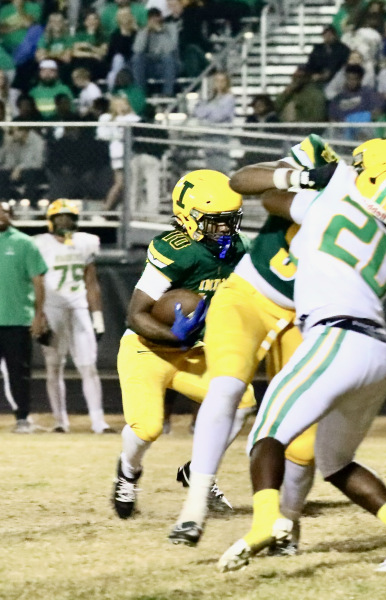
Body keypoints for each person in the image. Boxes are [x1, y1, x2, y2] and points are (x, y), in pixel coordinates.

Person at [212, 138, 386, 574]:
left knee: (267, 433)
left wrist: (304, 177)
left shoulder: (332, 203)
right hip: (380, 354)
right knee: (335, 462)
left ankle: (265, 521)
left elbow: (250, 188)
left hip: (335, 337)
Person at [169, 135, 339, 551]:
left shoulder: (367, 217)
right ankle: (193, 507)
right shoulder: (322, 178)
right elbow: (244, 181)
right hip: (248, 295)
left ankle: (288, 525)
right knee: (227, 386)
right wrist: (304, 177)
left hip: (302, 316)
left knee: (302, 440)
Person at [112, 169, 253, 520]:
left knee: (242, 400)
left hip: (191, 349)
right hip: (148, 348)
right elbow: (136, 315)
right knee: (148, 429)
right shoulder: (176, 249)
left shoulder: (236, 248)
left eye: (230, 220)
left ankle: (198, 471)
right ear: (188, 217)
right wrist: (174, 335)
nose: (225, 229)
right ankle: (128, 471)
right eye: (215, 221)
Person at [33, 200, 112, 434]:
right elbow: (35, 283)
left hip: (78, 308)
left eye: (68, 218)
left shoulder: (85, 242)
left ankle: (98, 421)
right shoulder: (39, 244)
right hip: (52, 309)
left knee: (88, 366)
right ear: (51, 221)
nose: (64, 222)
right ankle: (60, 421)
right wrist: (38, 315)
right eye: (60, 218)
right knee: (53, 367)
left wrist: (97, 316)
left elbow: (91, 282)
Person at [0, 200, 47, 433]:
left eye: (4, 211)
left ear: (11, 215)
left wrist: (38, 315)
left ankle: (22, 419)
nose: (0, 215)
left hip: (17, 320)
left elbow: (38, 281)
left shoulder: (25, 243)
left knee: (19, 373)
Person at [98, 95, 140, 210]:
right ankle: (106, 208)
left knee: (129, 184)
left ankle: (119, 208)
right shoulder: (108, 119)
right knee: (120, 183)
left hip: (131, 154)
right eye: (118, 105)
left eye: (123, 104)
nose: (122, 107)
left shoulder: (133, 118)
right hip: (118, 154)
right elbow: (102, 135)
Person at [192, 70, 235, 173]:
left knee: (221, 166)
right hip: (208, 136)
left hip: (221, 137)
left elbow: (219, 116)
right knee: (210, 166)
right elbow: (198, 113)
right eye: (217, 81)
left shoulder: (229, 98)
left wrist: (208, 110)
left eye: (222, 81)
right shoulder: (208, 97)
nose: (219, 84)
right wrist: (212, 108)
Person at [131, 8, 179, 97]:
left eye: (157, 17)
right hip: (150, 66)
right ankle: (140, 93)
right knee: (137, 58)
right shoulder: (144, 30)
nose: (155, 20)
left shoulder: (171, 28)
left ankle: (167, 93)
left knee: (167, 57)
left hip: (169, 65)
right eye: (152, 18)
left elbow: (170, 49)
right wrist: (146, 32)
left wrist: (160, 31)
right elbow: (137, 49)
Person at [130, 104, 166, 216]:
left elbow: (131, 142)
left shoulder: (136, 126)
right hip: (152, 157)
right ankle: (152, 211)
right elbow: (165, 145)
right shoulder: (158, 128)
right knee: (152, 185)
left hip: (137, 156)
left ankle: (133, 210)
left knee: (135, 185)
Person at [328, 63, 382, 138]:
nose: (351, 82)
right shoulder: (338, 97)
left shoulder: (368, 93)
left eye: (354, 79)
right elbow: (332, 119)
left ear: (360, 79)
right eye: (348, 78)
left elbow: (377, 112)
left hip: (364, 130)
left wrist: (358, 119)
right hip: (343, 132)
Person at [0, 125, 44, 200]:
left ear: (23, 131)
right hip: (16, 170)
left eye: (13, 132)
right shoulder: (13, 142)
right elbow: (9, 162)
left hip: (33, 170)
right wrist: (7, 145)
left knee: (29, 174)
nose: (11, 135)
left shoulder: (38, 142)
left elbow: (38, 163)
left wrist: (20, 168)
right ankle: (4, 200)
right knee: (2, 173)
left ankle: (30, 201)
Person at [35, 12, 73, 81]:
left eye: (59, 21)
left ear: (63, 23)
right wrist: (59, 55)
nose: (56, 24)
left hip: (61, 65)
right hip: (46, 64)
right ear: (50, 24)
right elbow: (41, 57)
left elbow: (67, 58)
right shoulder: (44, 37)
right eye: (54, 22)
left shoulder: (68, 38)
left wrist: (48, 54)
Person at [106, 7, 137, 90]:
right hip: (119, 63)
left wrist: (127, 34)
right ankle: (113, 91)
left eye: (126, 15)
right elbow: (113, 52)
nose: (125, 18)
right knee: (118, 58)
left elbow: (134, 50)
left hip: (133, 61)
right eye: (122, 16)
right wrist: (123, 35)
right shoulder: (115, 35)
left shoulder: (136, 33)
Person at [71, 10, 109, 79]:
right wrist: (92, 54)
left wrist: (88, 46)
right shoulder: (79, 35)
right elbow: (75, 52)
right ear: (85, 22)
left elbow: (103, 52)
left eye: (95, 19)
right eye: (89, 19)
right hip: (81, 61)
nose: (92, 22)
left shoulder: (103, 36)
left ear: (98, 21)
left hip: (95, 63)